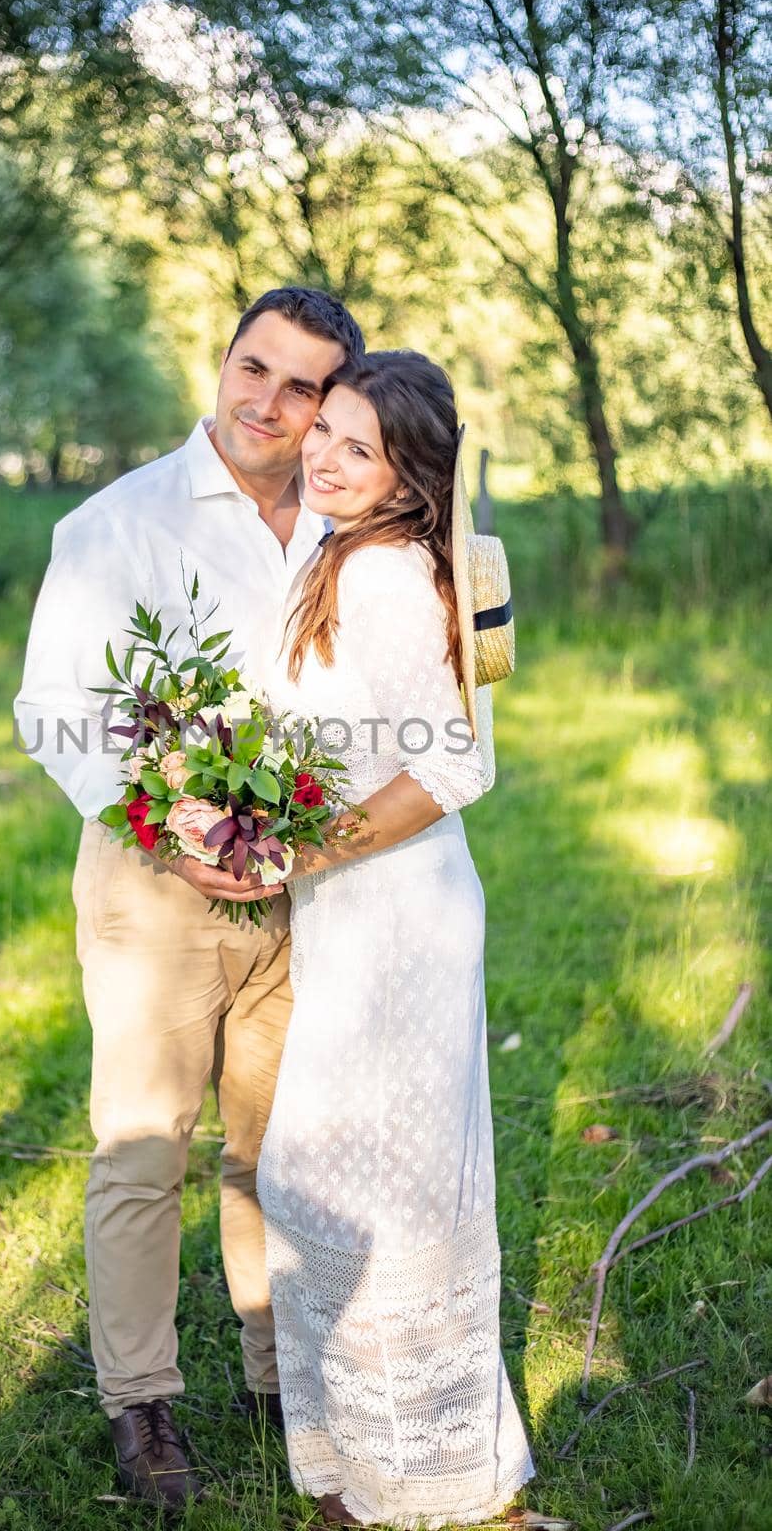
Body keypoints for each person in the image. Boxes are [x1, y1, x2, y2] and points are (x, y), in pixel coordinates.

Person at [13, 287, 366, 1509]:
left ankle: (278, 1377)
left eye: (301, 386)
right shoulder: (116, 523)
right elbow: (54, 708)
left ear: (333, 404)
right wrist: (167, 832)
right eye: (251, 367)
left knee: (270, 1150)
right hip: (153, 886)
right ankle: (142, 1403)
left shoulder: (342, 523)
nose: (265, 403)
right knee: (144, 1143)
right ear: (220, 362)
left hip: (300, 886)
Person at [250, 351, 536, 1526]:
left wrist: (298, 852)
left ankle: (425, 1473)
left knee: (383, 1193)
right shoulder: (333, 557)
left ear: (408, 475)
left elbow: (456, 760)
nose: (321, 452)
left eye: (356, 447)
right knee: (321, 1180)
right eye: (326, 429)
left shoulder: (382, 576)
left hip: (400, 920)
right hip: (352, 911)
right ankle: (357, 1461)